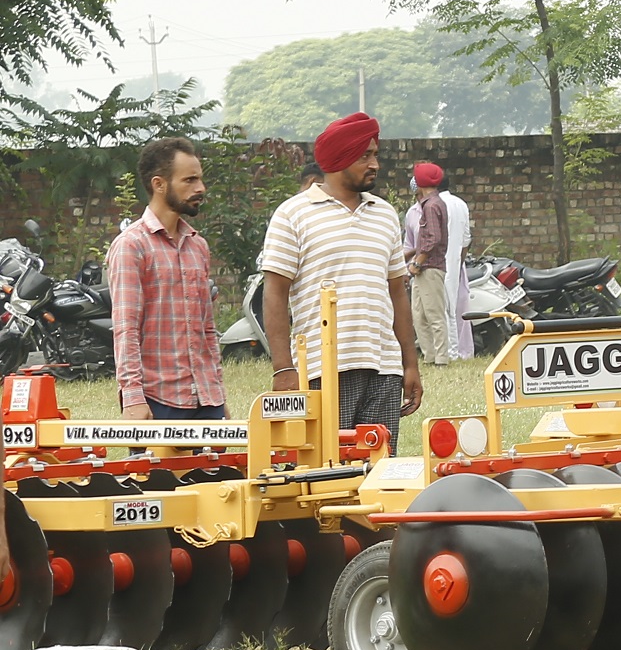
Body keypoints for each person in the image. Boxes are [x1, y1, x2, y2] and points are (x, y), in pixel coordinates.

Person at [260, 112, 419, 436]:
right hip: (322, 370)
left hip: (383, 368)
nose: (374, 164)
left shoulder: (385, 214)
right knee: (324, 472)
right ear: (340, 158)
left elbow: (397, 293)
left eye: (375, 155)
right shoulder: (293, 214)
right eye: (365, 156)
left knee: (379, 469)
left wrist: (409, 364)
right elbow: (274, 293)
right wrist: (284, 368)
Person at [109, 136, 224, 421]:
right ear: (159, 184)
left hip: (205, 400)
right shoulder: (131, 246)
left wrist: (217, 395)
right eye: (190, 180)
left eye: (200, 179)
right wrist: (133, 397)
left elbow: (207, 329)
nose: (201, 188)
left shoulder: (198, 245)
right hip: (157, 399)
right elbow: (126, 329)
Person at [404, 161, 472, 365]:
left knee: (434, 313)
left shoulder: (432, 205)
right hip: (428, 266)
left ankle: (441, 357)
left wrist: (418, 262)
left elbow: (432, 238)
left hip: (429, 266)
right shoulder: (433, 204)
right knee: (420, 314)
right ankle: (430, 355)